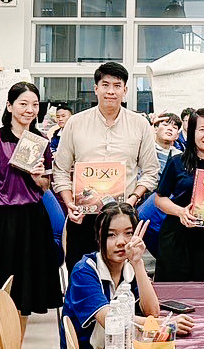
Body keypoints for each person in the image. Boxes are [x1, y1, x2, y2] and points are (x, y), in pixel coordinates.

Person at [0, 80, 62, 349]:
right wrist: (4, 200)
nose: (29, 110)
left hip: (33, 222)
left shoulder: (41, 142)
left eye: (34, 105)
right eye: (23, 103)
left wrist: (38, 179)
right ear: (10, 106)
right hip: (3, 223)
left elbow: (45, 186)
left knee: (24, 297)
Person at [60, 202, 191, 349]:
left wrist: (138, 262)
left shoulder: (128, 267)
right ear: (99, 236)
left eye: (128, 233)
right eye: (111, 235)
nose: (121, 242)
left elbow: (152, 312)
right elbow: (110, 320)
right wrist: (165, 326)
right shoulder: (84, 271)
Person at [52, 62, 160, 271]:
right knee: (82, 275)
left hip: (123, 218)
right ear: (96, 88)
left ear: (125, 90)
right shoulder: (75, 123)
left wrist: (132, 199)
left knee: (124, 279)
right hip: (83, 216)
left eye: (117, 86)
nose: (111, 91)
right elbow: (61, 170)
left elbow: (151, 171)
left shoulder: (140, 124)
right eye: (105, 85)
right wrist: (69, 203)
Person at [154, 109, 204, 282]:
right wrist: (180, 211)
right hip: (178, 236)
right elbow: (159, 199)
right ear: (192, 133)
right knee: (175, 288)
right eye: (202, 130)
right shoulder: (177, 162)